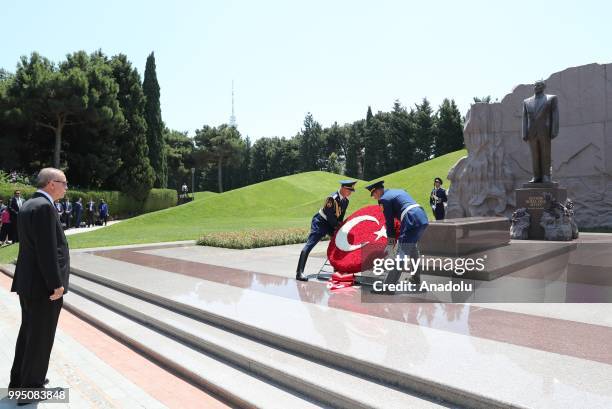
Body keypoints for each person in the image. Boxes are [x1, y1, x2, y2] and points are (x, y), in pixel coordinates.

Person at [9, 168, 70, 399]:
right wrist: (56, 284)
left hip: (29, 283)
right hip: (43, 286)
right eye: (64, 183)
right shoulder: (43, 207)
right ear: (51, 184)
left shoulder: (29, 204)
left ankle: (19, 382)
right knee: (41, 337)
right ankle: (31, 389)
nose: (66, 187)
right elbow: (46, 251)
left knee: (29, 334)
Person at [366, 180, 429, 293]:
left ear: (378, 190)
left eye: (373, 194)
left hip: (411, 219)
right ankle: (415, 278)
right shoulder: (398, 191)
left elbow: (389, 222)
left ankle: (388, 287)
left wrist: (390, 243)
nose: (374, 197)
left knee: (401, 253)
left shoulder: (384, 199)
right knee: (413, 249)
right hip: (422, 217)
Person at [295, 180, 356, 281]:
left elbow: (340, 218)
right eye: (349, 190)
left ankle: (337, 271)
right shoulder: (331, 199)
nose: (350, 193)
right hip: (320, 222)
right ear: (343, 188)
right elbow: (330, 217)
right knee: (310, 245)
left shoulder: (346, 201)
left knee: (339, 244)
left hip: (331, 224)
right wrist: (337, 227)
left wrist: (340, 229)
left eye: (351, 191)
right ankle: (299, 273)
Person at [522, 80, 559, 183]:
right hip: (531, 132)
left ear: (544, 87)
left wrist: (554, 130)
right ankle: (536, 176)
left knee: (545, 154)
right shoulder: (526, 101)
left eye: (539, 85)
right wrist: (524, 133)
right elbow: (525, 118)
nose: (536, 87)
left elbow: (555, 115)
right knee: (534, 155)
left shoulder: (551, 98)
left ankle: (546, 176)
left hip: (545, 131)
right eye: (535, 85)